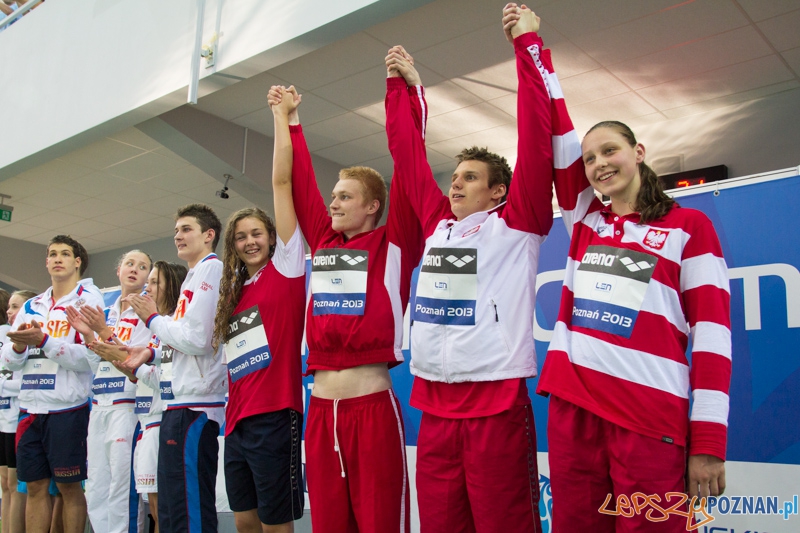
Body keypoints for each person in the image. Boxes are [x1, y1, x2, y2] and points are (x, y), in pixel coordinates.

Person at [534, 72, 731, 533]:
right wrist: (532, 48)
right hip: (574, 409)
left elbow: (712, 338)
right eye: (589, 159)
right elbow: (557, 135)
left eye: (609, 150)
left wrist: (707, 441)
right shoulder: (585, 222)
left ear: (638, 152)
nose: (599, 163)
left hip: (647, 418)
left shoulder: (690, 226)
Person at [383, 5, 555, 531]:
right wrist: (403, 90)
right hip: (433, 406)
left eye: (470, 177)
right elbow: (407, 154)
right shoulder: (437, 224)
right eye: (454, 176)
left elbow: (535, 137)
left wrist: (527, 48)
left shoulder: (518, 222)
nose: (454, 184)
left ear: (498, 190)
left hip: (494, 402)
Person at [268, 75, 423, 532]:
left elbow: (408, 164)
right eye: (333, 196)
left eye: (345, 197)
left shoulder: (395, 243)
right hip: (319, 412)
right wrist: (291, 121)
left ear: (373, 205)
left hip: (372, 408)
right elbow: (299, 180)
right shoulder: (322, 238)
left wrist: (405, 96)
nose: (333, 203)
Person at [121, 204, 227, 533]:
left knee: (189, 511)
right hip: (176, 407)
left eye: (187, 229)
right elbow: (181, 341)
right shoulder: (194, 278)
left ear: (209, 235)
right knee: (169, 511)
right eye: (177, 230)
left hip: (195, 409)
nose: (178, 236)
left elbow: (198, 339)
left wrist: (153, 319)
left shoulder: (212, 269)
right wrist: (150, 355)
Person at [0, 235, 104, 533]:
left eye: (65, 254)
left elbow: (88, 358)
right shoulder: (32, 304)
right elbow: (8, 359)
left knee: (69, 488)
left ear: (77, 262)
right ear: (46, 262)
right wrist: (20, 346)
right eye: (53, 254)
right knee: (34, 487)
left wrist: (44, 341)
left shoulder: (88, 299)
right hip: (30, 409)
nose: (58, 258)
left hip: (67, 409)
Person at [211, 207, 305, 533]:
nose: (249, 242)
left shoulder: (286, 270)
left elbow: (283, 189)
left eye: (256, 234)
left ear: (272, 237)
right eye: (240, 237)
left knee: (275, 523)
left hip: (275, 415)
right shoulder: (234, 293)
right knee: (244, 520)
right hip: (236, 421)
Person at [93, 261, 188, 533]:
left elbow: (169, 382)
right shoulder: (155, 330)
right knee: (156, 511)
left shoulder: (173, 328)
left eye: (156, 282)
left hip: (165, 421)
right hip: (146, 423)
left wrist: (129, 363)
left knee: (168, 511)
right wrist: (124, 361)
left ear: (173, 286)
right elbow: (141, 375)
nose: (148, 287)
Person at [65, 250, 154, 533]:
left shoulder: (146, 313)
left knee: (121, 488)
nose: (135, 270)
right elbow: (95, 361)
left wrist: (102, 333)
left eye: (142, 267)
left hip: (125, 407)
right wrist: (90, 336)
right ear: (118, 270)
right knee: (97, 484)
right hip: (99, 407)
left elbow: (129, 357)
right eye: (130, 263)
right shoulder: (105, 312)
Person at [0, 289, 35, 533]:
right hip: (4, 420)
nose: (10, 312)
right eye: (10, 307)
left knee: (15, 484)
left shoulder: (32, 340)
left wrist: (2, 385)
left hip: (20, 419)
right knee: (5, 483)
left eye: (16, 307)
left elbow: (28, 384)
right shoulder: (6, 338)